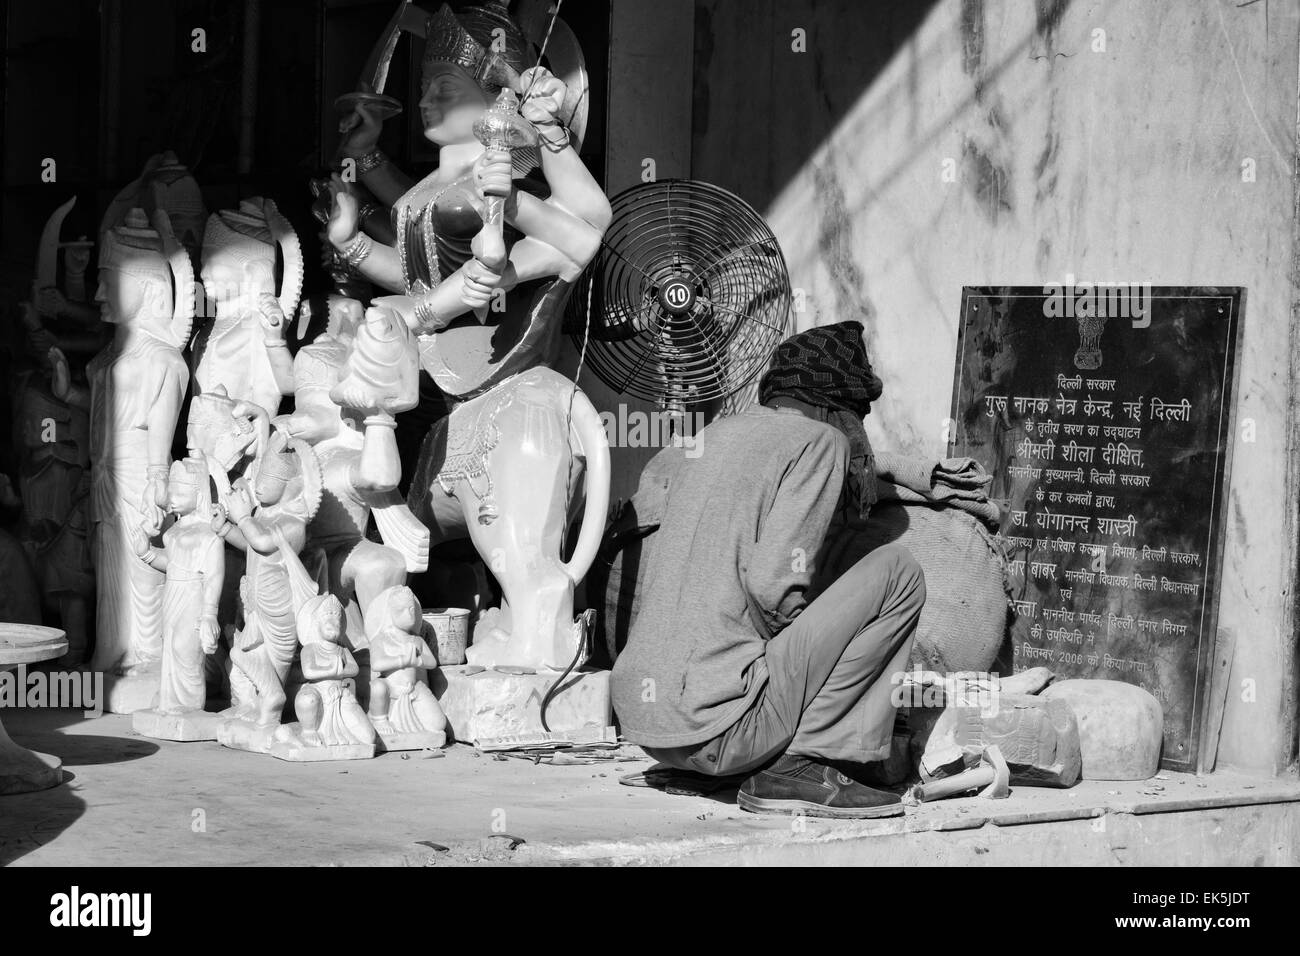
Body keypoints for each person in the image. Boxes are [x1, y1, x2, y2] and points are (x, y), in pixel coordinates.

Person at [612, 321, 926, 819]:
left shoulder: (712, 434)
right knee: (898, 571)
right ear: (834, 407)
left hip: (646, 725)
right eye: (855, 414)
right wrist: (823, 651)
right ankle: (808, 764)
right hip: (723, 729)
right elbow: (773, 586)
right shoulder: (821, 441)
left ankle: (736, 759)